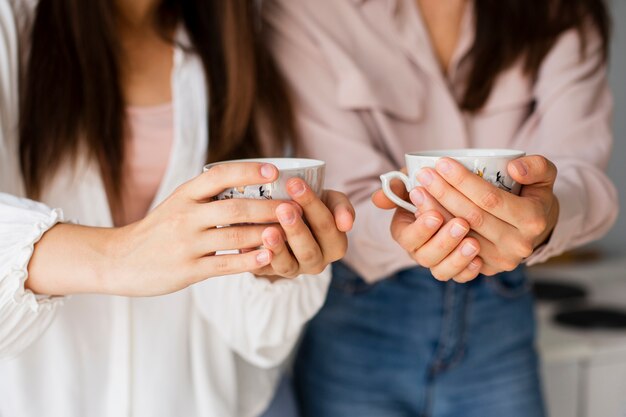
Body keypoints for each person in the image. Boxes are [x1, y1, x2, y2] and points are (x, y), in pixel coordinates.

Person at [0, 1, 355, 416]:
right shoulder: (13, 21)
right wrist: (119, 255)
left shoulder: (244, 35)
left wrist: (271, 265)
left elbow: (258, 336)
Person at [265, 0, 618, 416]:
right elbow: (342, 198)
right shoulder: (309, 10)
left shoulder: (559, 11)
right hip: (360, 317)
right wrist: (410, 229)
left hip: (499, 313)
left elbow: (584, 175)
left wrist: (547, 216)